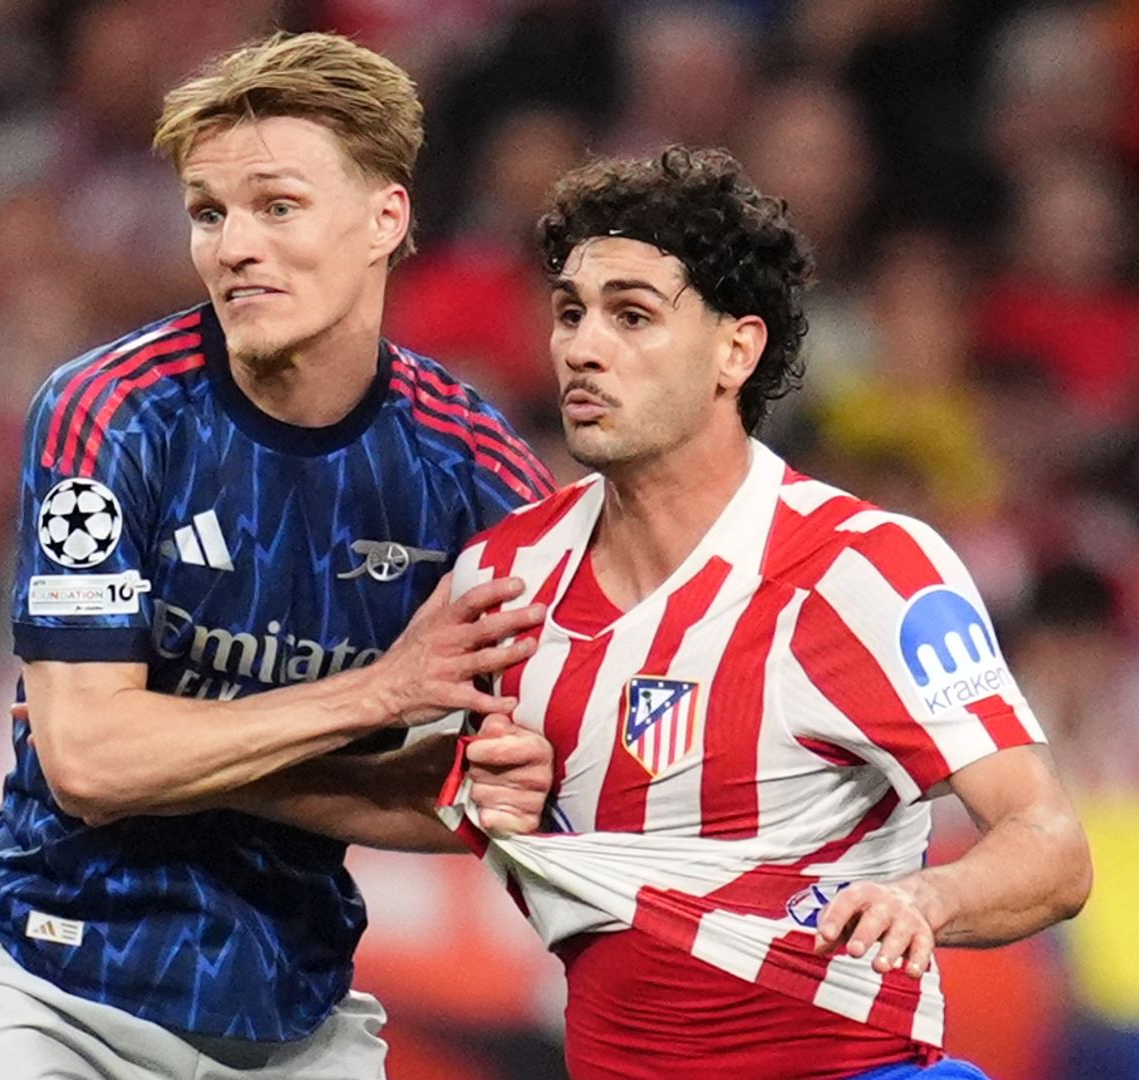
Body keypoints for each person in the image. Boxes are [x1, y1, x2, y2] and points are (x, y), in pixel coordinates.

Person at [0, 32, 558, 1080]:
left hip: (295, 1016)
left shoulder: (471, 469)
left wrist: (222, 767)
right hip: (45, 985)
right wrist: (376, 695)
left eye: (276, 206)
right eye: (209, 212)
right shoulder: (112, 412)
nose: (234, 246)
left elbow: (516, 792)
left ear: (386, 218)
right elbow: (88, 762)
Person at [440, 146, 1094, 1079]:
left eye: (632, 315)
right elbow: (414, 795)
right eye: (570, 312)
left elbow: (1052, 847)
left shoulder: (861, 570)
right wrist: (481, 793)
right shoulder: (503, 576)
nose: (583, 347)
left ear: (736, 350)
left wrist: (926, 899)